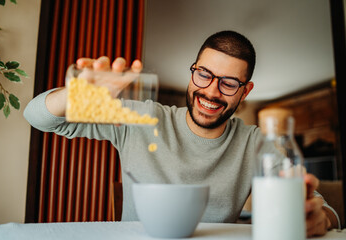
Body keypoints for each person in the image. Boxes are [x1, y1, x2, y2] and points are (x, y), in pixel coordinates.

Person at [24, 30, 340, 237]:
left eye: (229, 83)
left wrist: (320, 218)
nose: (211, 92)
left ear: (245, 92)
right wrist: (77, 93)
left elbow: (321, 207)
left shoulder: (257, 142)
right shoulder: (141, 117)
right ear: (192, 73)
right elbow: (38, 117)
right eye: (204, 74)